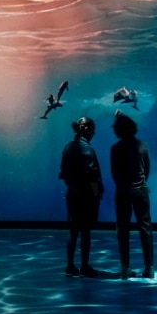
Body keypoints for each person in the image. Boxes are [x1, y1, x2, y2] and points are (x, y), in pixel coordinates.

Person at [58, 117, 104, 277]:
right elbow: (92, 176)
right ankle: (84, 266)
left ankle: (70, 265)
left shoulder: (67, 147)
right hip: (86, 195)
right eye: (92, 130)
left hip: (71, 192)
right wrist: (97, 193)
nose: (94, 133)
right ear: (86, 129)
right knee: (85, 231)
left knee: (73, 230)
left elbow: (63, 174)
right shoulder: (87, 149)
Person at [110, 113, 154, 279]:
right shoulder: (143, 145)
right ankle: (149, 268)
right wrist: (140, 184)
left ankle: (125, 268)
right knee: (145, 228)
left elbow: (114, 173)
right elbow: (147, 169)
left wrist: (123, 186)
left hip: (122, 191)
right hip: (141, 191)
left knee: (122, 229)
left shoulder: (115, 148)